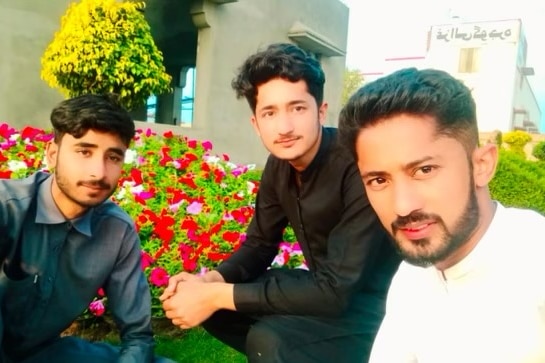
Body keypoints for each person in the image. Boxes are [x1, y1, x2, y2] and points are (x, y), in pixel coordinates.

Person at [160, 43, 401, 363]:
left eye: (297, 108)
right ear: (256, 124)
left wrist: (215, 295)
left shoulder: (356, 164)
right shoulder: (279, 166)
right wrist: (211, 281)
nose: (284, 127)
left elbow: (338, 290)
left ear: (321, 110)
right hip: (324, 293)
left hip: (378, 309)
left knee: (270, 339)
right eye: (270, 113)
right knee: (219, 312)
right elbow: (260, 245)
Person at [337, 68, 545, 362]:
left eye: (424, 170)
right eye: (379, 180)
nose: (402, 207)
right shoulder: (411, 278)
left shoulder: (537, 261)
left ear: (482, 165)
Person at [0, 94, 175, 363]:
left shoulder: (116, 231)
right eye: (84, 152)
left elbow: (138, 337)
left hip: (45, 354)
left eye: (113, 157)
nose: (98, 172)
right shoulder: (8, 209)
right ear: (52, 154)